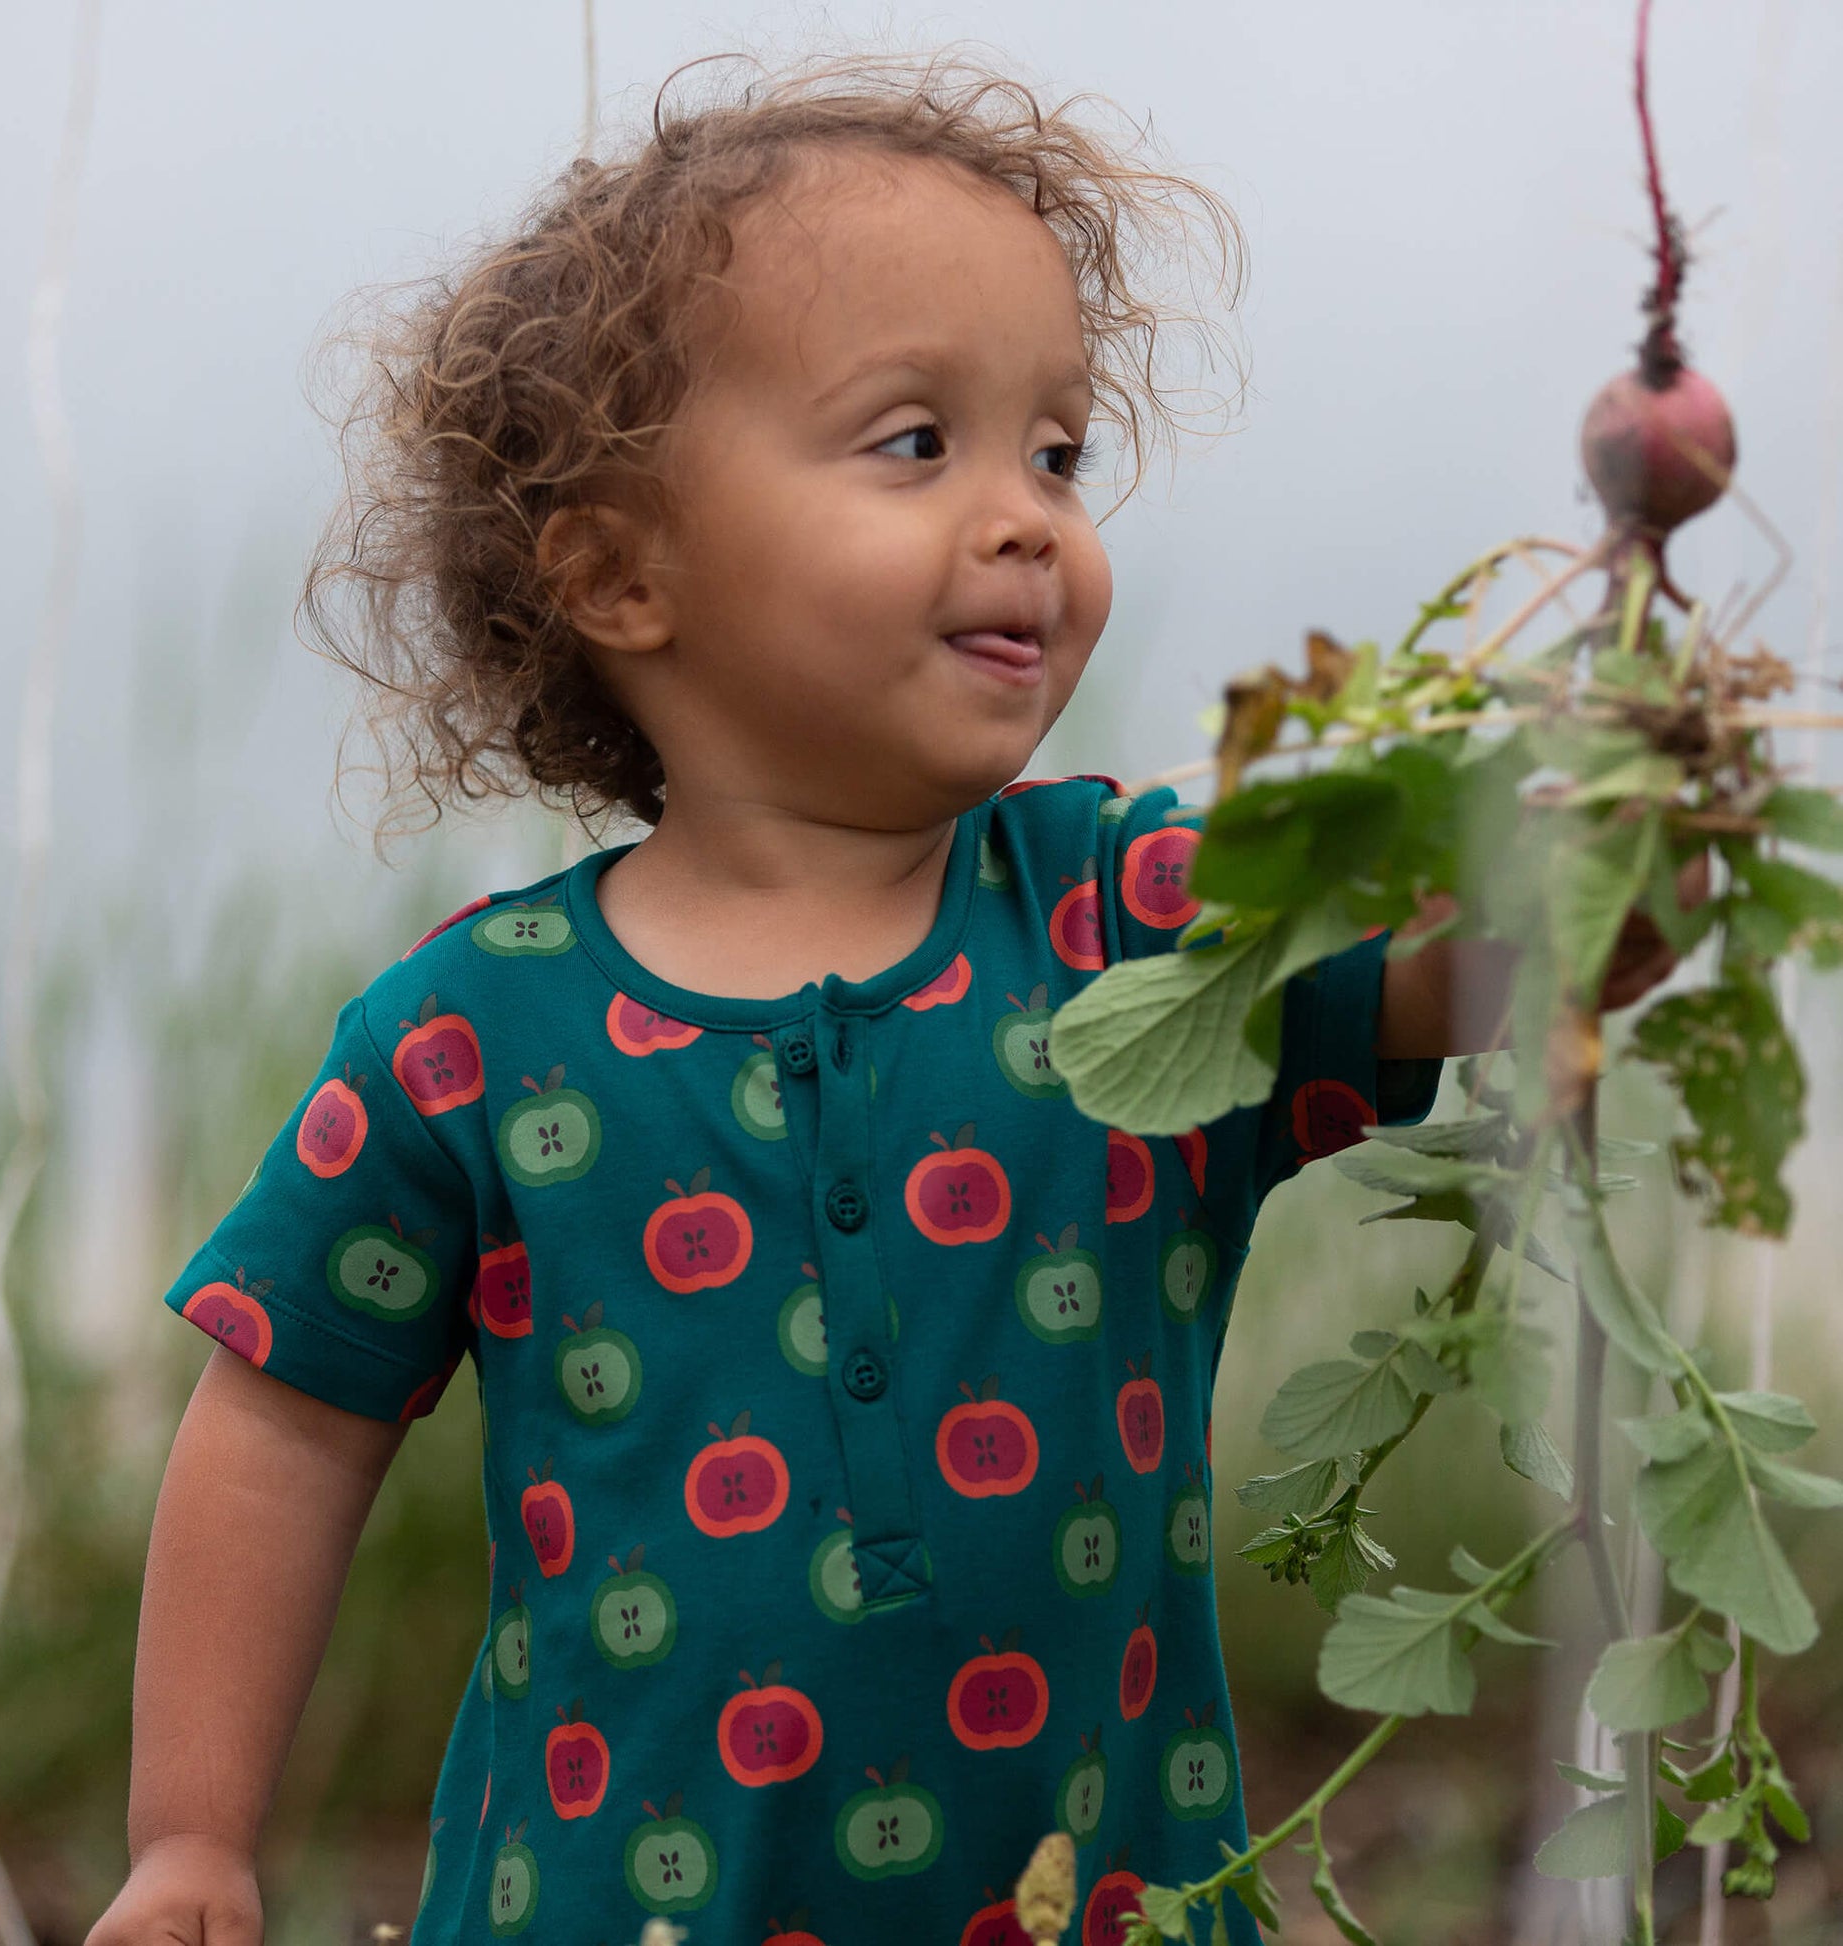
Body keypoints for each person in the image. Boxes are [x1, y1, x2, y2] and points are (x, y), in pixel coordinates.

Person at [85, 45, 1685, 1946]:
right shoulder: (469, 1035)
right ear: (619, 570)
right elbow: (283, 1420)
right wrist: (191, 1835)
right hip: (609, 1907)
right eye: (915, 440)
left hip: (1104, 1904)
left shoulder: (1135, 917)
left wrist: (1626, 829)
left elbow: (1484, 965)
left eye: (1060, 449)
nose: (1027, 516)